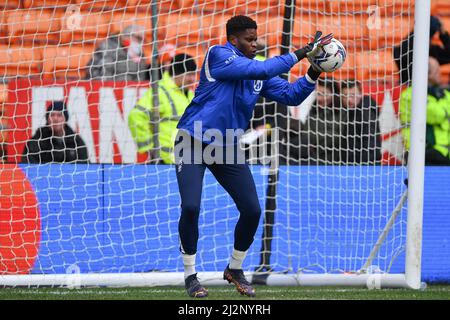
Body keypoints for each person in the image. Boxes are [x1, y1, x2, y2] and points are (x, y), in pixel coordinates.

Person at [173, 15, 333, 298]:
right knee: (191, 207)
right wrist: (301, 52)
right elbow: (259, 70)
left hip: (227, 147)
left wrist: (314, 70)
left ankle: (234, 268)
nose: (255, 43)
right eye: (249, 39)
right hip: (193, 140)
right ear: (233, 39)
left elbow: (291, 95)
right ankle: (190, 276)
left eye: (256, 38)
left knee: (252, 210)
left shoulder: (257, 73)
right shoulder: (218, 55)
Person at [128, 53, 197, 164]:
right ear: (177, 74)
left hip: (186, 160)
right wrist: (149, 148)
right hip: (165, 161)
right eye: (189, 74)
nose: (193, 79)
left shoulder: (190, 94)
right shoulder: (160, 91)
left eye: (194, 74)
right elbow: (136, 115)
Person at [400, 57, 450, 165]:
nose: (440, 73)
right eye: (437, 71)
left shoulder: (445, 94)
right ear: (426, 74)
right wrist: (445, 112)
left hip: (444, 153)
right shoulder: (410, 94)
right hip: (420, 151)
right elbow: (437, 115)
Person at [22, 101, 89, 164]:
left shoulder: (76, 141)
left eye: (59, 115)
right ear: (47, 119)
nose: (55, 119)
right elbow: (28, 162)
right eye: (52, 115)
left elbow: (84, 164)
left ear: (65, 119)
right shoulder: (37, 140)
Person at [297, 78, 344, 164]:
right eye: (318, 94)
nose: (320, 98)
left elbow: (339, 137)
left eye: (324, 94)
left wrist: (316, 138)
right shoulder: (314, 109)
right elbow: (306, 134)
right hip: (313, 157)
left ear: (334, 94)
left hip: (336, 158)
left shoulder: (343, 111)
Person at [394, 15, 450, 85]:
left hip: (429, 90)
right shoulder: (404, 51)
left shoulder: (431, 51)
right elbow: (405, 50)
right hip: (409, 88)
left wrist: (443, 34)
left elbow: (448, 55)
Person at [86, 24, 150, 82]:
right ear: (125, 36)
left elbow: (140, 77)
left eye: (141, 40)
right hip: (108, 88)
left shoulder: (139, 53)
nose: (139, 43)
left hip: (129, 90)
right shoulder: (108, 47)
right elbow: (101, 73)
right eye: (137, 39)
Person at [339, 79, 382, 164]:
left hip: (364, 168)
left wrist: (362, 170)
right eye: (345, 95)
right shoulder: (349, 111)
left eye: (352, 95)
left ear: (360, 94)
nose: (348, 100)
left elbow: (370, 145)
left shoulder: (366, 113)